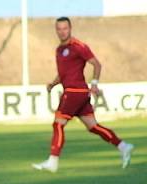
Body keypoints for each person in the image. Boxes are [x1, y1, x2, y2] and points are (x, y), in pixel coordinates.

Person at [32, 17, 134, 173]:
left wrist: (94, 84)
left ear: (70, 28)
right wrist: (53, 84)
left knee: (58, 124)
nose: (62, 31)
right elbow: (63, 74)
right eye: (59, 29)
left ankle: (53, 161)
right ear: (56, 30)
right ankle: (123, 146)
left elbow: (97, 64)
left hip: (75, 91)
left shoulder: (79, 46)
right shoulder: (59, 50)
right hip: (76, 93)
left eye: (65, 28)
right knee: (93, 126)